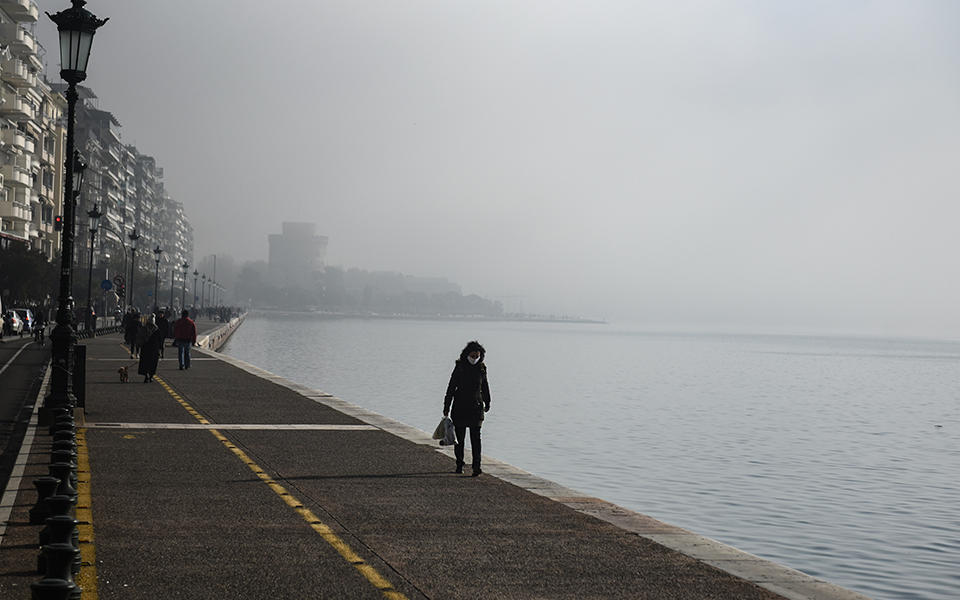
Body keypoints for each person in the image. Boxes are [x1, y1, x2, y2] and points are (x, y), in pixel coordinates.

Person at [443, 340, 491, 476]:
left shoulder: (481, 368)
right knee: (460, 438)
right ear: (467, 354)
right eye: (473, 356)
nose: (475, 359)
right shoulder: (460, 367)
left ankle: (477, 466)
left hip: (476, 407)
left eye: (477, 357)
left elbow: (485, 386)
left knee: (476, 437)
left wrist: (487, 402)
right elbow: (451, 387)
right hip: (460, 406)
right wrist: (446, 406)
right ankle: (460, 463)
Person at [136, 314, 163, 383]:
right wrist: (161, 349)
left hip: (146, 347)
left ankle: (146, 374)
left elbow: (140, 337)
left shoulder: (144, 328)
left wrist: (138, 346)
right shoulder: (157, 329)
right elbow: (160, 340)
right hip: (155, 347)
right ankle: (151, 376)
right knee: (153, 362)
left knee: (145, 362)